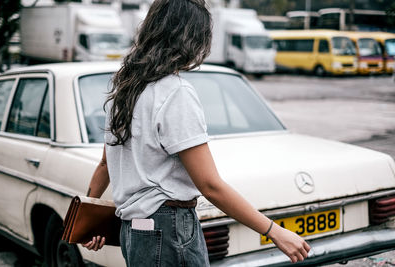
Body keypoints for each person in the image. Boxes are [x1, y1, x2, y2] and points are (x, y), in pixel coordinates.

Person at [82, 0, 311, 266]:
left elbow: (105, 163)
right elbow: (210, 185)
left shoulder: (124, 89)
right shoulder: (174, 92)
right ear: (191, 39)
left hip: (134, 232)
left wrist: (87, 218)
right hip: (168, 231)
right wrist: (274, 232)